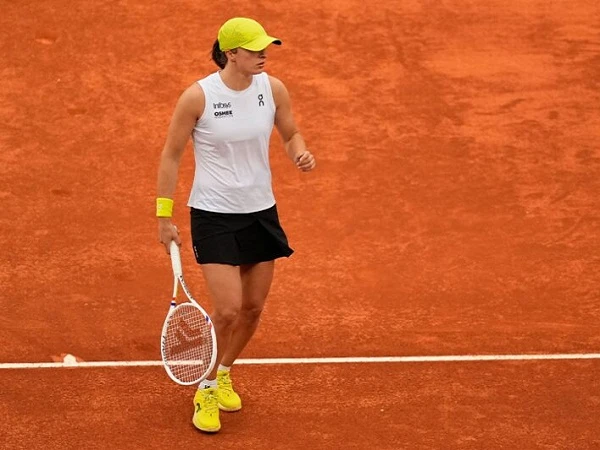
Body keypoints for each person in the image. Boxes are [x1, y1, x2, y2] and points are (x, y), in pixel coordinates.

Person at [155, 17, 316, 433]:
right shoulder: (198, 97)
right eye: (254, 49)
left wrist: (299, 152)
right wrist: (163, 216)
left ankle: (223, 370)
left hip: (260, 212)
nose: (263, 55)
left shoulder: (272, 89)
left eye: (265, 48)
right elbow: (171, 154)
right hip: (213, 215)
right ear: (231, 54)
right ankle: (206, 388)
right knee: (227, 310)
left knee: (253, 308)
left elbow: (291, 133)